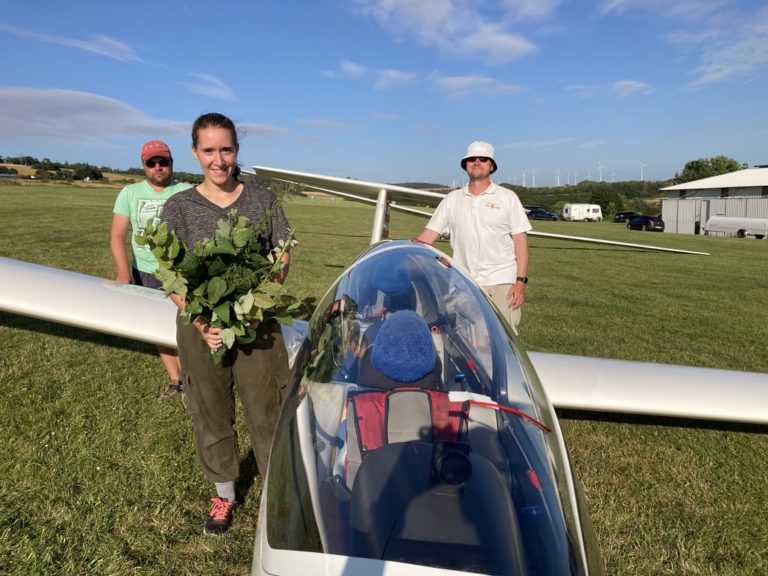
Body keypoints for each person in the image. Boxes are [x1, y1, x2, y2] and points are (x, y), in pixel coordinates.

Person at [160, 112, 293, 535]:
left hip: (257, 325)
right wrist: (200, 320)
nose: (219, 160)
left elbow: (282, 253)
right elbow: (170, 272)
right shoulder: (178, 206)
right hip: (201, 327)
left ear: (237, 149)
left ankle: (273, 495)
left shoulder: (262, 200)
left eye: (227, 149)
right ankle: (224, 494)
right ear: (195, 152)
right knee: (210, 410)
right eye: (209, 150)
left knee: (268, 409)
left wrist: (260, 297)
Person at [414, 141, 531, 334]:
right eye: (471, 159)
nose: (477, 162)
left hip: (502, 280)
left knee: (502, 339)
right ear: (465, 165)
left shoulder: (508, 197)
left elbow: (521, 242)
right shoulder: (452, 199)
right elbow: (427, 236)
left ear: (491, 165)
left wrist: (520, 282)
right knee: (467, 340)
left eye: (483, 159)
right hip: (464, 281)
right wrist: (401, 248)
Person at [110, 140, 191, 401]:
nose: (158, 167)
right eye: (151, 163)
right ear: (144, 165)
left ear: (171, 163)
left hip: (179, 271)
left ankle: (193, 379)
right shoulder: (129, 193)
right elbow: (117, 235)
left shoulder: (187, 191)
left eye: (163, 162)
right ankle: (176, 380)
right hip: (144, 271)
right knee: (158, 326)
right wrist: (124, 273)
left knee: (188, 325)